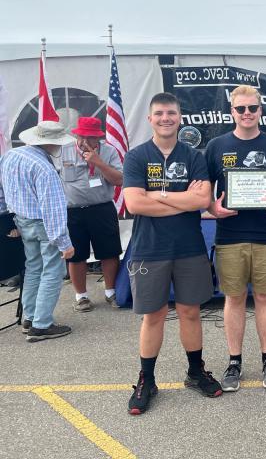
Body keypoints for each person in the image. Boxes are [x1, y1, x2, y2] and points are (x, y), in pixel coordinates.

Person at [123, 92, 222, 415]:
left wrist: (158, 195)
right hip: (149, 249)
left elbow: (201, 201)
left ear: (180, 118)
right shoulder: (137, 157)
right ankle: (147, 379)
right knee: (153, 316)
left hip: (189, 247)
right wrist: (179, 196)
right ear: (150, 119)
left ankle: (195, 372)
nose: (166, 118)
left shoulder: (193, 156)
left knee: (190, 312)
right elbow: (134, 204)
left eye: (171, 113)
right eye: (160, 113)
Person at [205, 85, 266, 392]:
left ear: (261, 111)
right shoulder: (216, 146)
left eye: (252, 108)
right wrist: (212, 209)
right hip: (230, 236)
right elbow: (205, 196)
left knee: (265, 297)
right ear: (231, 111)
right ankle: (234, 361)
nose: (247, 113)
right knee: (234, 298)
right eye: (241, 108)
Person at [0, 121, 75, 341]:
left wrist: (6, 219)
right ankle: (41, 325)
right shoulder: (44, 168)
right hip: (42, 223)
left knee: (33, 267)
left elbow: (1, 191)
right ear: (53, 143)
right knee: (53, 270)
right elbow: (52, 209)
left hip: (22, 220)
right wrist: (64, 242)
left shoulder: (10, 156)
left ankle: (30, 317)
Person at [59, 117, 123, 312]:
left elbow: (119, 180)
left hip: (101, 209)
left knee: (109, 252)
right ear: (77, 135)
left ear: (98, 138)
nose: (85, 141)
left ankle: (111, 292)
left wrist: (99, 163)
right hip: (73, 211)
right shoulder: (63, 151)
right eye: (82, 136)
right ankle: (82, 296)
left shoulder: (109, 151)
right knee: (76, 255)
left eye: (90, 138)